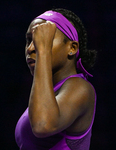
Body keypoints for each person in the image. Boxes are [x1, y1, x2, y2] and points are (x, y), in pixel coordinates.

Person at [15, 8, 97, 150]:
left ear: (72, 47)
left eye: (44, 40)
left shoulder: (80, 88)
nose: (30, 48)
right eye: (29, 40)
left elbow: (43, 125)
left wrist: (43, 51)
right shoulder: (48, 94)